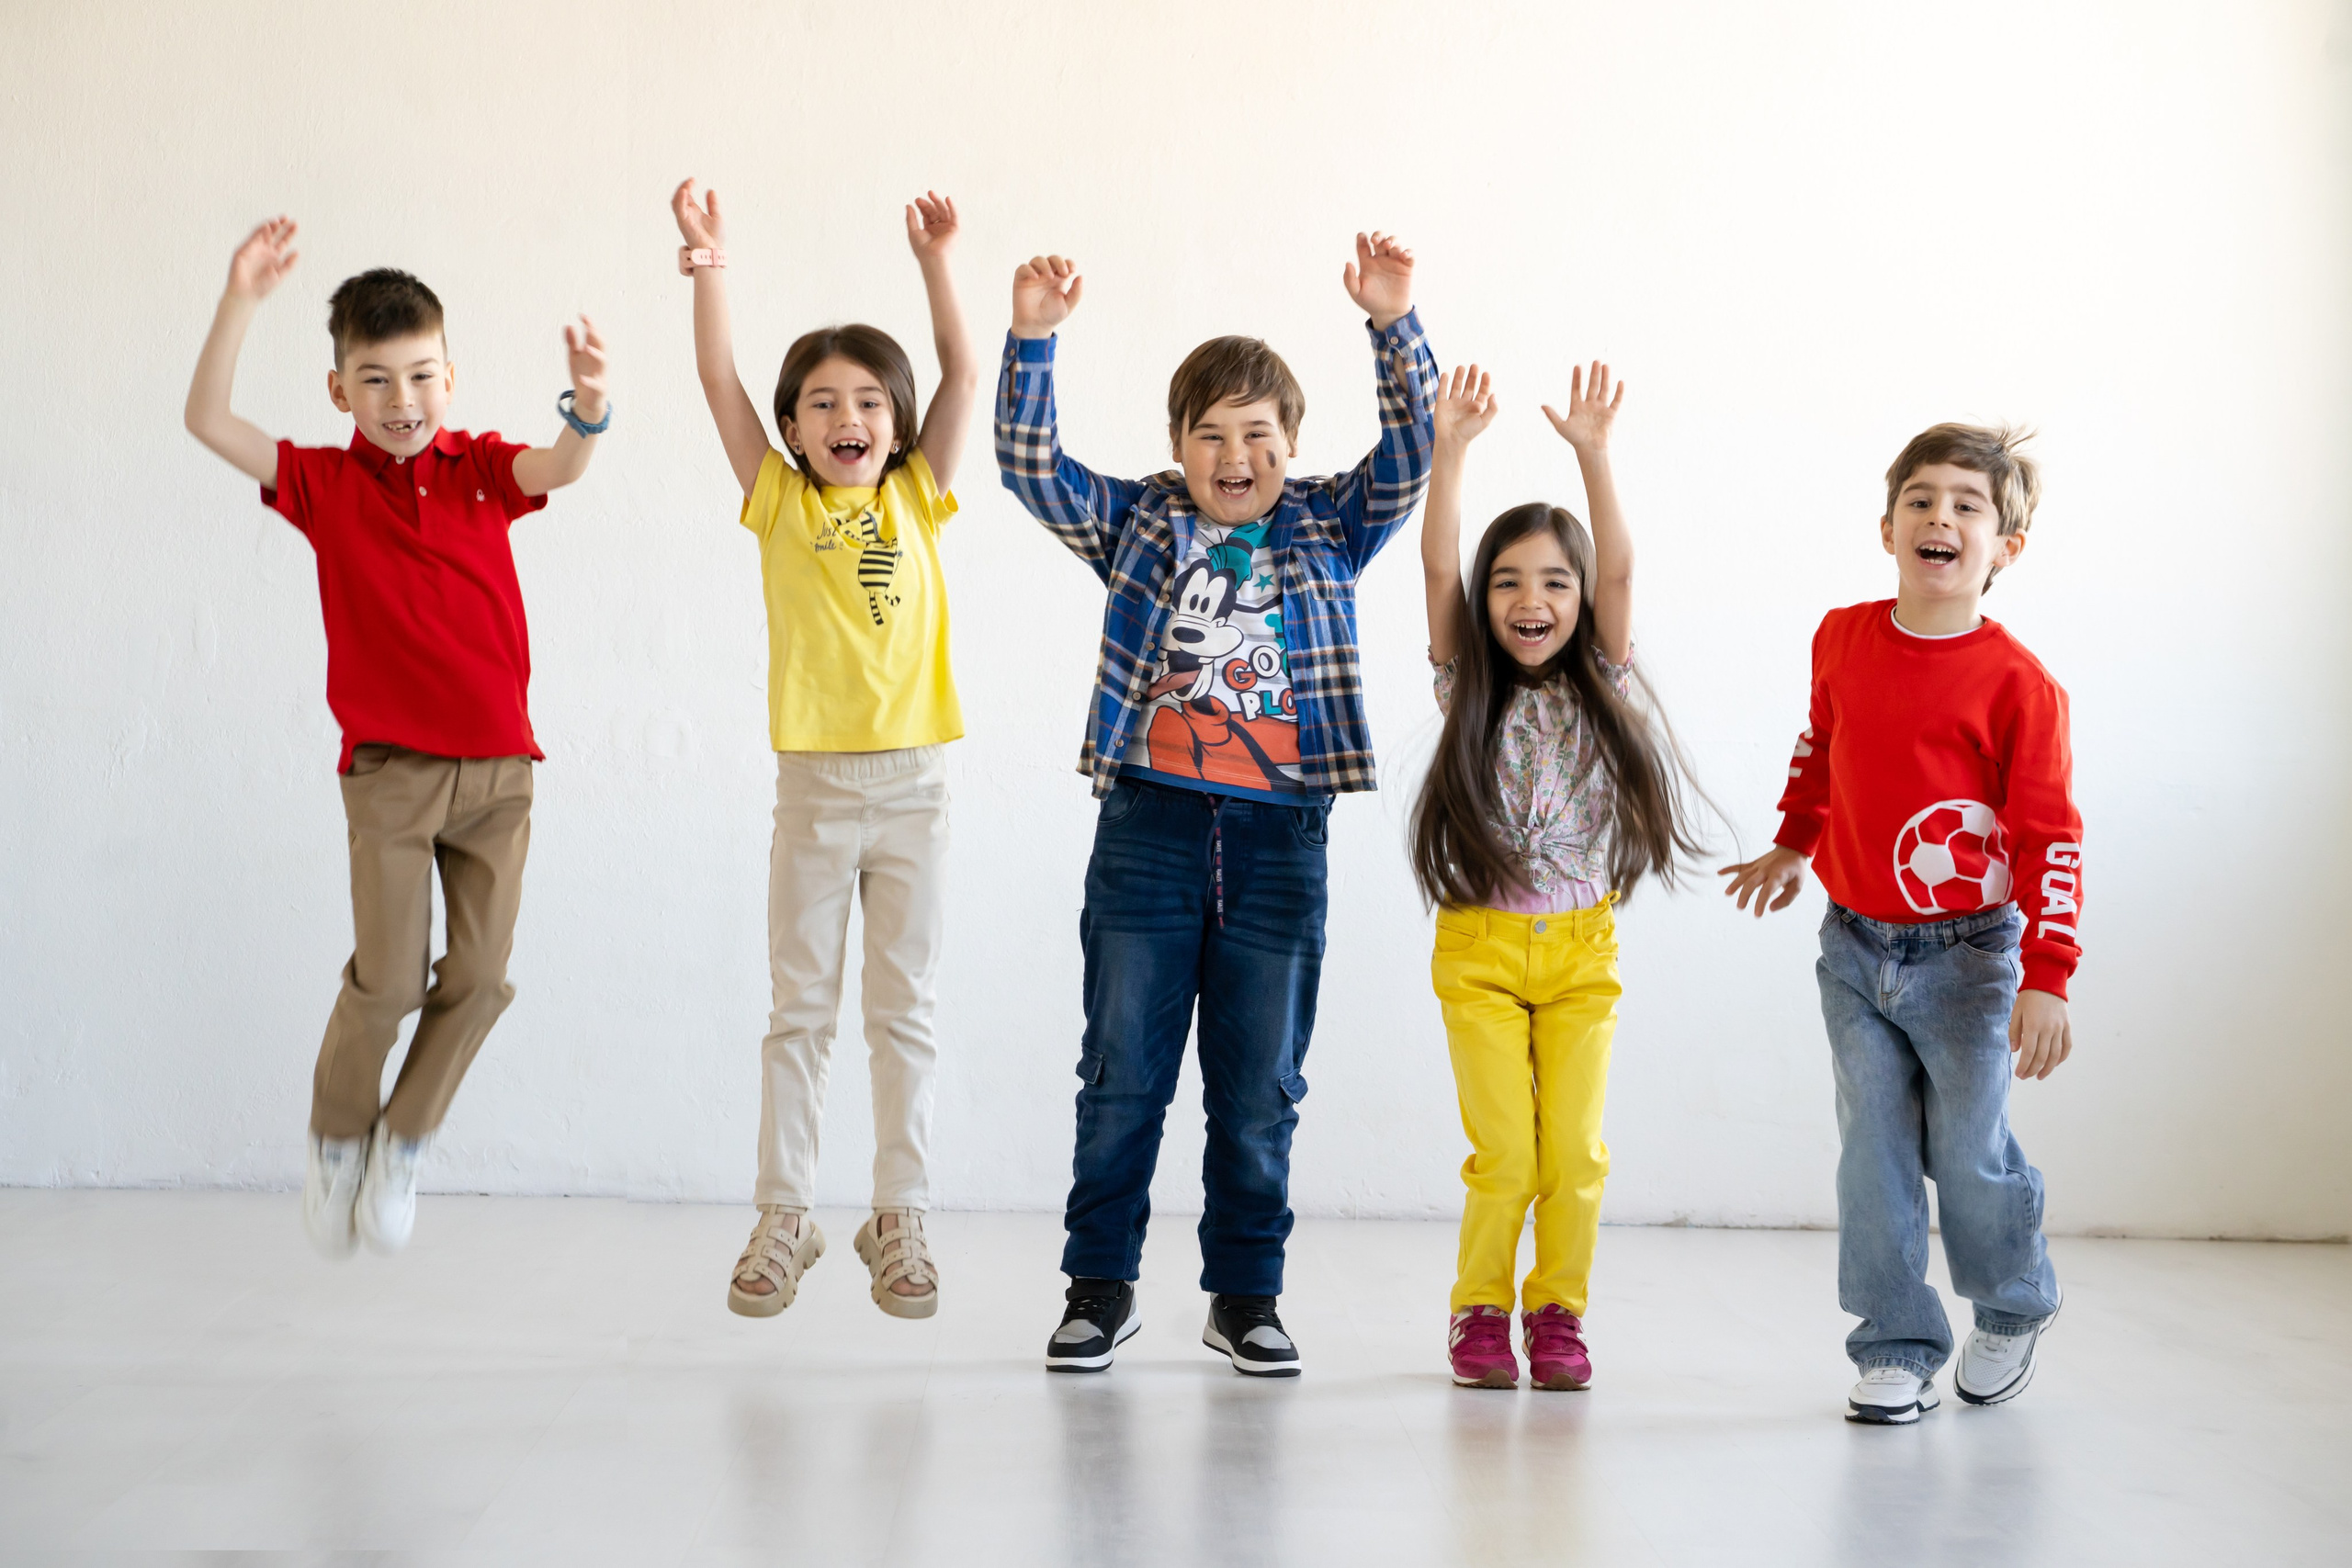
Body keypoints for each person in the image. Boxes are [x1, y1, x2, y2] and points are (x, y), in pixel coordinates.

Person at [995, 235, 1438, 1376]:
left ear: (1290, 450)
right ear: (1178, 450)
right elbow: (1028, 463)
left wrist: (1392, 322)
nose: (1234, 455)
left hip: (1280, 836)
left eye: (1259, 436)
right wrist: (1034, 338)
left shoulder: (1332, 523)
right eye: (1211, 435)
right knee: (1121, 1072)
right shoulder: (1142, 522)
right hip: (1148, 825)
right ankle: (1100, 1287)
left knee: (1258, 1086)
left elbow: (1413, 449)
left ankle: (1245, 1293)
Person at [182, 218, 609, 1258]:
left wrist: (590, 408)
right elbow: (206, 419)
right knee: (386, 980)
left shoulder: (481, 471)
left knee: (482, 979)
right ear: (340, 393)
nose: (402, 401)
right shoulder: (324, 487)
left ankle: (405, 1140)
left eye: (420, 376)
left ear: (450, 378)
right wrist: (240, 297)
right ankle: (339, 1141)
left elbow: (562, 465)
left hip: (502, 773)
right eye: (375, 380)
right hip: (389, 776)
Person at [1720, 423, 2077, 1424]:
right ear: (1886, 527)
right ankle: (1894, 1339)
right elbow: (1821, 745)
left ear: (2004, 547)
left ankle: (2010, 1305)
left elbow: (2051, 834)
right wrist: (1793, 843)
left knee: (1966, 1150)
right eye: (1921, 500)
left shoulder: (2019, 686)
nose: (1941, 518)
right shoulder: (1841, 635)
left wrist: (2047, 974)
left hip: (1969, 959)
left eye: (1968, 506)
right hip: (1854, 943)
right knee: (1871, 1149)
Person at [670, 180, 978, 1321]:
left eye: (865, 401)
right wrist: (709, 263)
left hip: (915, 789)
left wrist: (937, 262)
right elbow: (717, 380)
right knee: (800, 1010)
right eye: (819, 403)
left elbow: (962, 375)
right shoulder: (778, 504)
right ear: (794, 428)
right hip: (812, 791)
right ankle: (784, 1215)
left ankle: (900, 1218)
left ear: (893, 421)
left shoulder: (922, 494)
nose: (845, 418)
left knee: (905, 1010)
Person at [1410, 363, 1704, 1390]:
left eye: (1552, 582)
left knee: (1574, 1156)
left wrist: (1593, 455)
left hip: (1582, 953)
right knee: (1509, 1157)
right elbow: (1439, 570)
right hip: (1481, 952)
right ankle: (1481, 1311)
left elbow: (1619, 571)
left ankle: (1559, 1313)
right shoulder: (1464, 686)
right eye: (1509, 582)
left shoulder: (1604, 677)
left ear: (1579, 601)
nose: (1530, 600)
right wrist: (1448, 451)